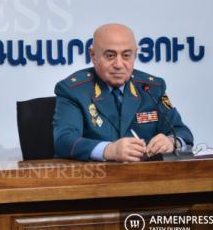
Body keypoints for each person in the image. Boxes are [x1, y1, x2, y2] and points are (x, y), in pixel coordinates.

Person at [53, 23, 193, 162]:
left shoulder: (151, 87)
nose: (119, 64)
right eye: (110, 55)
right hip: (94, 178)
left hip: (147, 179)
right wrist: (108, 150)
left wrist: (171, 141)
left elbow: (183, 132)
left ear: (135, 55)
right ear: (93, 55)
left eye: (126, 55)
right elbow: (64, 141)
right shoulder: (74, 90)